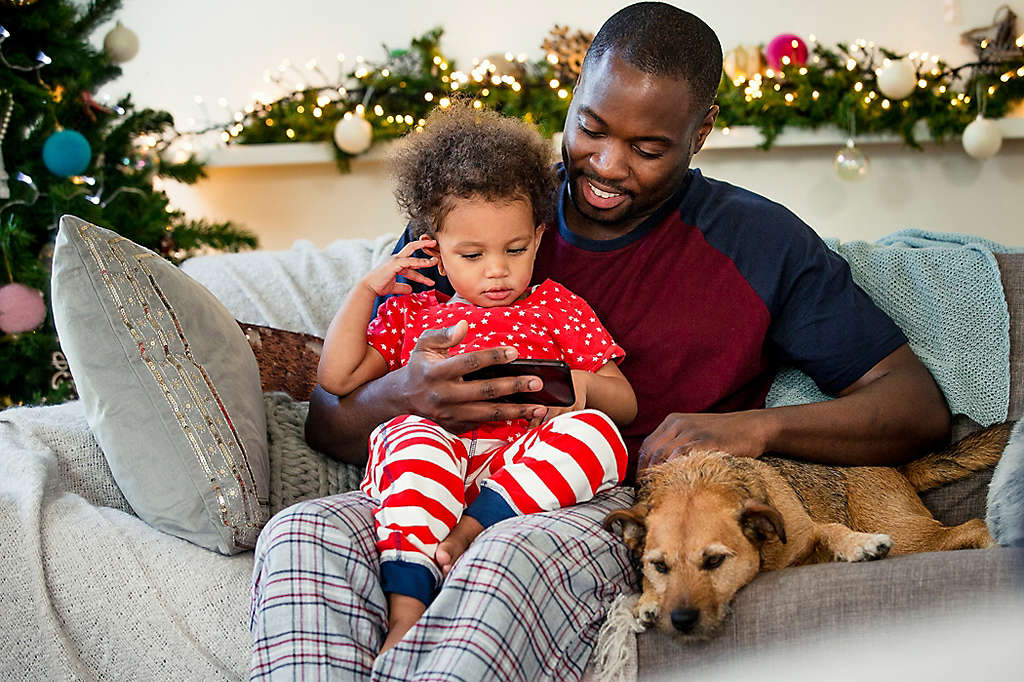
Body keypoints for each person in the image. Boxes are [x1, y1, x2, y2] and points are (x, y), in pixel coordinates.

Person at [251, 3, 950, 680]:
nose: (608, 165)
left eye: (648, 148)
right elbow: (328, 423)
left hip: (589, 499)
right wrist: (407, 392)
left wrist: (749, 428)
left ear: (701, 132)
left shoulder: (758, 243)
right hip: (431, 476)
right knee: (299, 536)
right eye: (590, 128)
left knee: (504, 559)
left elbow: (915, 405)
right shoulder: (478, 217)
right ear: (573, 96)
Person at [315, 101, 637, 655]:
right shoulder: (414, 313)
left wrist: (572, 390)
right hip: (439, 456)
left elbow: (625, 403)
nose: (496, 270)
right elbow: (337, 377)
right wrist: (366, 291)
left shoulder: (557, 306)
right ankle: (406, 613)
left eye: (515, 250)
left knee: (600, 436)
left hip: (523, 472)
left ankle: (474, 527)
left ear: (538, 238)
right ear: (435, 251)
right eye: (472, 254)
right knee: (408, 439)